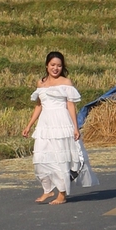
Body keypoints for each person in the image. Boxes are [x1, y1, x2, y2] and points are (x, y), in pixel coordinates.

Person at [22, 51, 82, 205]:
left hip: (61, 122)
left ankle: (62, 194)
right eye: (53, 65)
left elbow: (70, 105)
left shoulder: (66, 83)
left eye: (59, 65)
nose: (56, 68)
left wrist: (76, 127)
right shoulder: (41, 83)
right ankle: (47, 190)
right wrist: (29, 126)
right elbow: (39, 106)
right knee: (40, 157)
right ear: (47, 65)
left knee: (59, 158)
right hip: (45, 124)